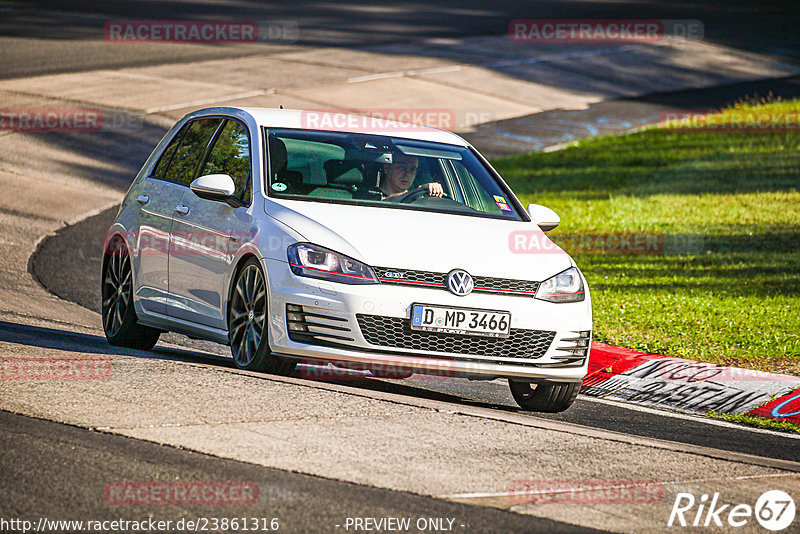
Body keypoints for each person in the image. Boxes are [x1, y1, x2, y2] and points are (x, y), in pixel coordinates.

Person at [379, 152, 444, 200]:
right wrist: (417, 191)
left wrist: (434, 190)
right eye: (402, 167)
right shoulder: (371, 196)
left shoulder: (420, 200)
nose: (408, 173)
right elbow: (382, 201)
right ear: (386, 168)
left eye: (412, 169)